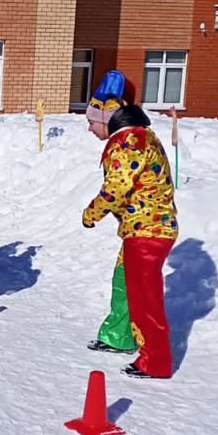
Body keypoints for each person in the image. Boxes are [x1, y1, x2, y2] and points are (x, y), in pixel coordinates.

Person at [82, 71, 178, 378]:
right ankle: (119, 336)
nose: (89, 128)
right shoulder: (137, 137)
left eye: (91, 121)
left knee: (144, 295)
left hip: (149, 232)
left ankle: (156, 361)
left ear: (108, 116)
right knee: (124, 283)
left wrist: (92, 213)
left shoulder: (129, 141)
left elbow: (117, 187)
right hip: (140, 229)